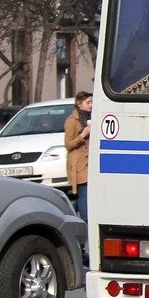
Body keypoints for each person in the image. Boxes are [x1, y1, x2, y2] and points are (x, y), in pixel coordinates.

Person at [63, 91, 92, 222]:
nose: (91, 105)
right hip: (79, 163)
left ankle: (66, 213)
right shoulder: (71, 121)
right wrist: (83, 135)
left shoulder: (91, 117)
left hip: (90, 161)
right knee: (84, 193)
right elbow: (68, 144)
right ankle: (85, 222)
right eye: (88, 103)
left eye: (91, 102)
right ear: (79, 104)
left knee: (86, 195)